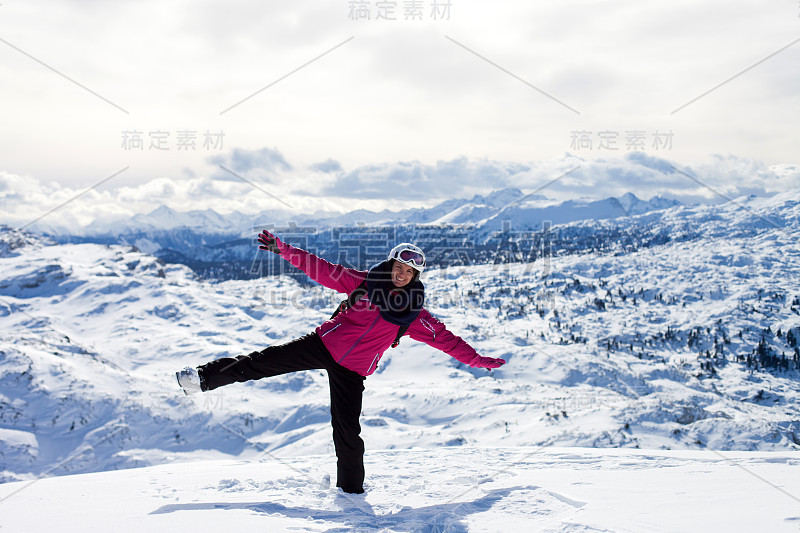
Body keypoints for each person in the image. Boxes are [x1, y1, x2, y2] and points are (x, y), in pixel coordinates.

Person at [176, 230, 506, 494]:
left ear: (415, 274)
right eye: (400, 267)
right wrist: (285, 250)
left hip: (352, 370)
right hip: (322, 344)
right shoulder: (362, 282)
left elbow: (446, 340)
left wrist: (477, 360)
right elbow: (322, 269)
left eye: (411, 271)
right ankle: (201, 378)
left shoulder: (415, 314)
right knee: (262, 362)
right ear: (391, 264)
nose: (403, 275)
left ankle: (351, 493)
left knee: (347, 430)